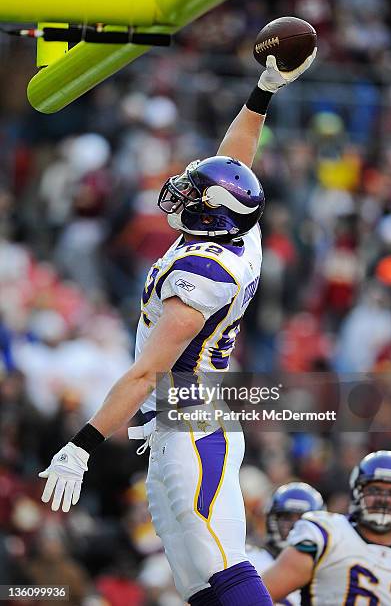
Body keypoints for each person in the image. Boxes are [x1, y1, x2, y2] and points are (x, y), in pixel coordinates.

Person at [39, 48, 317, 606]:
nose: (181, 194)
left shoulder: (203, 275)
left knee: (226, 574)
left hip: (190, 421)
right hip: (179, 420)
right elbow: (234, 159)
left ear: (214, 213)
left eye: (194, 194)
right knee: (203, 588)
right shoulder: (239, 229)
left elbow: (146, 373)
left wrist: (83, 445)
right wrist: (264, 89)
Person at [262, 450, 391, 604]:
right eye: (374, 490)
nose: (384, 500)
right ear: (357, 491)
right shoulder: (327, 535)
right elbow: (256, 597)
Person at [247, 482, 324, 606]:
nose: (295, 525)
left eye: (303, 519)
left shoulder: (328, 567)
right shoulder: (250, 560)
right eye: (286, 517)